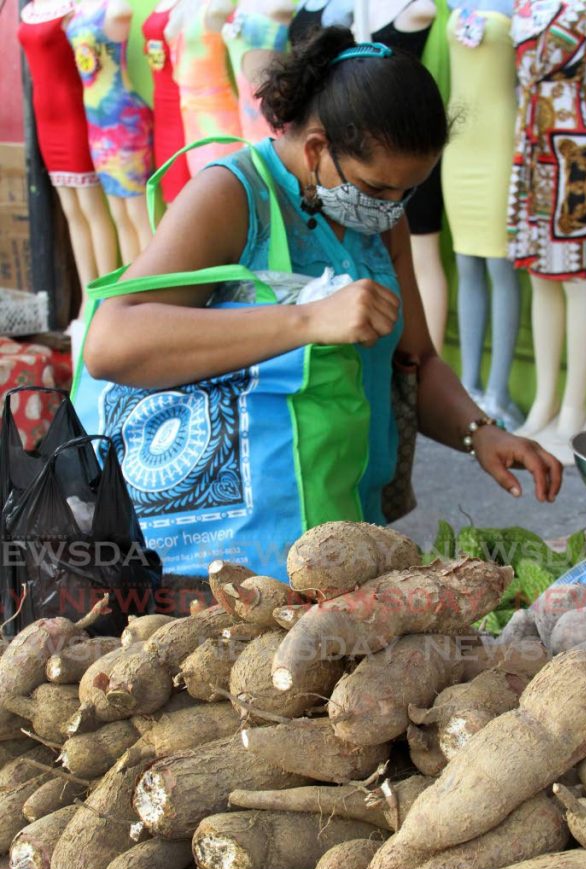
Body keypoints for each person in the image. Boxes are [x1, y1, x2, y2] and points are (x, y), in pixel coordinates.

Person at [85, 26, 562, 569]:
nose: (392, 205)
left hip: (349, 525)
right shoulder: (232, 195)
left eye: (407, 191)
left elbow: (416, 362)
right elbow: (112, 341)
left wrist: (481, 434)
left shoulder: (379, 218)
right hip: (237, 549)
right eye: (380, 188)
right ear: (317, 148)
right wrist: (307, 320)